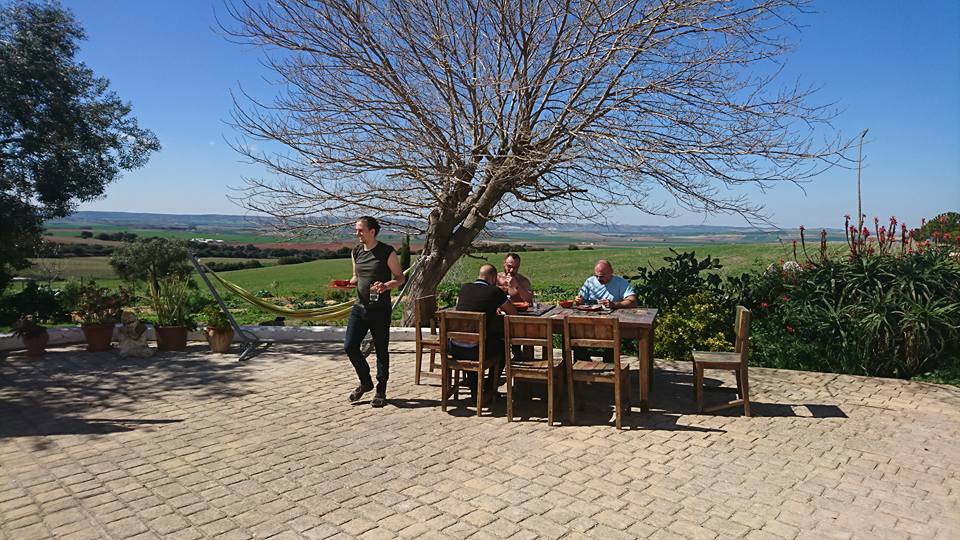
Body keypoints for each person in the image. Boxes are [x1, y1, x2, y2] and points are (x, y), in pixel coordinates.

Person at [344, 216, 405, 407]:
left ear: (372, 231)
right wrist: (346, 284)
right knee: (350, 346)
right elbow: (356, 277)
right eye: (356, 230)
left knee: (381, 350)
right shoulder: (356, 251)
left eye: (360, 230)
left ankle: (381, 389)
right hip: (359, 308)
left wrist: (386, 286)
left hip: (380, 310)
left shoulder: (387, 252)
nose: (357, 233)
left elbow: (400, 278)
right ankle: (366, 382)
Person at [451, 264, 518, 399]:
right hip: (476, 350)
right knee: (502, 347)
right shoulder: (494, 292)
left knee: (472, 340)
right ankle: (489, 388)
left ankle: (475, 390)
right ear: (493, 278)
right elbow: (513, 313)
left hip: (454, 347)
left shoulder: (465, 288)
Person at [573, 260, 637, 361]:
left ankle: (610, 366)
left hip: (609, 325)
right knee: (575, 334)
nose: (599, 279)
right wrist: (578, 301)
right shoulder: (590, 282)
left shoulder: (620, 282)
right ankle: (583, 365)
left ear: (611, 272)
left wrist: (615, 305)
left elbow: (632, 302)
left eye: (602, 276)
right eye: (596, 276)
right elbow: (580, 301)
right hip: (589, 323)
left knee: (610, 342)